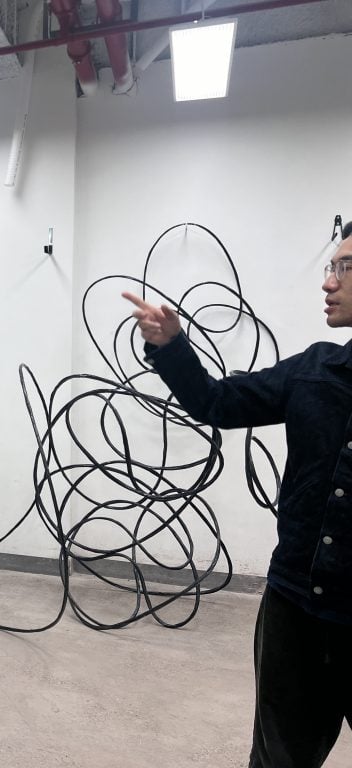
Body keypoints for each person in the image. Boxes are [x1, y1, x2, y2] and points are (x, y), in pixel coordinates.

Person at [122, 223, 352, 768]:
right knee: (277, 760)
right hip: (295, 607)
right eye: (330, 268)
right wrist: (172, 347)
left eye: (343, 268)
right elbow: (218, 404)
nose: (328, 282)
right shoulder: (315, 369)